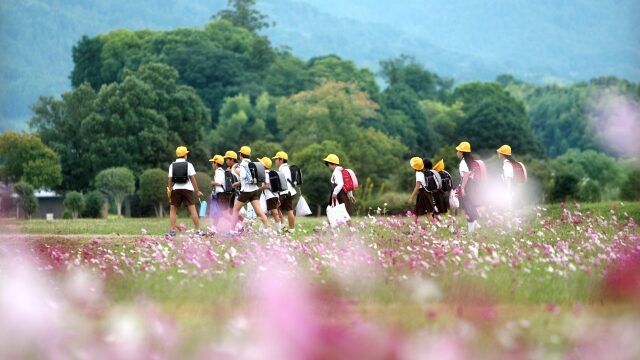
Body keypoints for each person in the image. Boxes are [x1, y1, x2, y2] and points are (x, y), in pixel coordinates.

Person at [231, 146, 270, 230]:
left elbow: (243, 176)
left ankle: (232, 230)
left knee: (235, 210)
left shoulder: (243, 164)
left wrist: (235, 170)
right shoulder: (251, 163)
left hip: (246, 191)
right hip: (254, 190)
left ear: (241, 154)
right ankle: (267, 229)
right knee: (259, 212)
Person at [167, 146, 203, 237]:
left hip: (176, 189)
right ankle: (198, 230)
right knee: (192, 209)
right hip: (187, 189)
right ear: (185, 155)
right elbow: (193, 179)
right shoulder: (189, 165)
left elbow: (170, 180)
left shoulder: (172, 165)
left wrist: (169, 191)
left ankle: (172, 231)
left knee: (173, 209)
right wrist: (197, 191)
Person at [455, 141, 480, 233]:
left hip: (466, 185)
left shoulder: (463, 163)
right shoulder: (469, 162)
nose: (457, 153)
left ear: (462, 152)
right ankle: (475, 225)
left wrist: (462, 188)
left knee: (467, 207)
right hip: (471, 185)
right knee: (470, 205)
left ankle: (471, 232)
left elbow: (465, 175)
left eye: (458, 151)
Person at [273, 151, 297, 232]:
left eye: (276, 159)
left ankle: (289, 228)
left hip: (286, 192)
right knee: (278, 208)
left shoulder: (283, 169)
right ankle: (285, 227)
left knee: (277, 208)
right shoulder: (287, 168)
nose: (275, 160)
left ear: (281, 160)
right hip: (290, 192)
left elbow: (282, 183)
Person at [407, 157, 435, 224]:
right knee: (417, 211)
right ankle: (414, 224)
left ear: (414, 167)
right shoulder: (421, 173)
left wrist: (411, 197)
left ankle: (434, 226)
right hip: (423, 194)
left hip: (423, 194)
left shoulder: (418, 174)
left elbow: (417, 187)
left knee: (427, 212)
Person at [258, 157, 284, 230]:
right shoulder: (269, 173)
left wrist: (258, 189)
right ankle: (262, 229)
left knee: (275, 213)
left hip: (270, 196)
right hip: (273, 195)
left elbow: (267, 186)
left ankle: (278, 230)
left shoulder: (265, 174)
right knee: (267, 213)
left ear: (263, 165)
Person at [497, 144, 516, 209]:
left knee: (507, 208)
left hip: (507, 189)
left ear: (503, 154)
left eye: (500, 152)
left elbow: (508, 179)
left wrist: (507, 192)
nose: (498, 153)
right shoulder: (508, 163)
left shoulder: (507, 165)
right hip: (507, 188)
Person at [209, 154, 225, 225]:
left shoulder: (218, 171)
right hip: (220, 193)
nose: (212, 164)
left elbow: (219, 183)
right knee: (217, 211)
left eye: (213, 162)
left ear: (216, 163)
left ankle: (237, 224)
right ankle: (215, 226)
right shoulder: (221, 171)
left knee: (223, 212)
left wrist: (212, 183)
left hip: (220, 194)